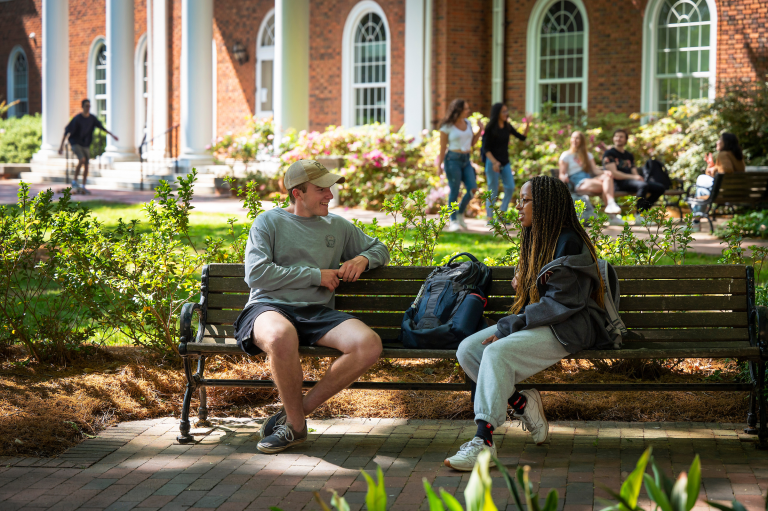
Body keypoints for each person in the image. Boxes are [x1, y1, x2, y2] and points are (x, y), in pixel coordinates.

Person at [444, 176, 611, 471]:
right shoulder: (538, 234)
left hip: (569, 328)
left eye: (524, 200)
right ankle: (522, 404)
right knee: (469, 349)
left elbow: (562, 304)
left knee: (496, 353)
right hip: (544, 320)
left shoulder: (569, 242)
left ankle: (483, 443)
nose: (518, 207)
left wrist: (511, 325)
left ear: (544, 204)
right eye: (519, 200)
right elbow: (539, 295)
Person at [233, 159, 390, 454]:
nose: (330, 195)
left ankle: (294, 417)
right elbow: (256, 274)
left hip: (316, 312)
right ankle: (296, 428)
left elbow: (380, 247)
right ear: (298, 193)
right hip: (269, 307)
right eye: (321, 189)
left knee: (368, 345)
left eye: (329, 188)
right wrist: (315, 275)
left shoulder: (337, 226)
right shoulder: (268, 222)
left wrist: (363, 259)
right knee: (281, 336)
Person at [437, 99, 484, 232]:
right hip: (452, 160)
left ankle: (459, 213)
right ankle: (453, 221)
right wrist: (439, 166)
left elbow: (472, 143)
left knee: (472, 189)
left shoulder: (468, 123)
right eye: (466, 109)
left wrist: (480, 130)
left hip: (466, 160)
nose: (468, 111)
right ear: (458, 110)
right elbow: (442, 147)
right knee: (455, 190)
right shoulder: (447, 126)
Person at [58, 99, 119, 194]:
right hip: (75, 143)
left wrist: (112, 135)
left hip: (85, 144)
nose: (88, 108)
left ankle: (83, 186)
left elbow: (102, 128)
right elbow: (66, 131)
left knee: (86, 164)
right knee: (81, 160)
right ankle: (74, 181)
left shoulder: (92, 119)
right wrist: (61, 147)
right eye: (86, 106)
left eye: (89, 106)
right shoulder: (77, 118)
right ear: (82, 107)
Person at [481, 103, 529, 221]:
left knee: (510, 187)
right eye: (503, 111)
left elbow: (522, 137)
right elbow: (485, 149)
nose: (506, 113)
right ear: (497, 113)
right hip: (492, 162)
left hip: (504, 162)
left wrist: (527, 124)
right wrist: (494, 162)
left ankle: (501, 215)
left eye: (506, 111)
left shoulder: (507, 126)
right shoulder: (490, 128)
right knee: (492, 190)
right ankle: (489, 218)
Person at [602, 129, 665, 215]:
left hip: (631, 181)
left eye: (621, 137)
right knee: (643, 186)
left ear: (625, 140)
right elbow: (614, 173)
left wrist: (638, 177)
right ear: (613, 138)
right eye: (616, 136)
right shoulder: (609, 153)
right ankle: (639, 214)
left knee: (660, 188)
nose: (618, 138)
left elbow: (633, 170)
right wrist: (634, 177)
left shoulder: (629, 155)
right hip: (617, 183)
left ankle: (643, 211)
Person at [558, 131, 621, 215]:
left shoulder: (588, 155)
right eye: (573, 138)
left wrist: (605, 172)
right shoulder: (566, 155)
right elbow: (561, 174)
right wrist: (563, 178)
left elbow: (595, 170)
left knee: (607, 178)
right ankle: (612, 212)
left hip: (588, 179)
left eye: (577, 138)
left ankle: (611, 205)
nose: (574, 140)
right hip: (576, 182)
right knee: (607, 187)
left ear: (582, 141)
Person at [691, 132, 746, 218]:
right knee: (702, 188)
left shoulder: (723, 154)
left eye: (720, 139)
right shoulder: (737, 155)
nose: (717, 142)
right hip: (738, 191)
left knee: (701, 180)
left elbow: (727, 170)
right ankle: (696, 216)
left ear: (726, 142)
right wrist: (712, 166)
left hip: (725, 192)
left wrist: (714, 169)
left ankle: (696, 217)